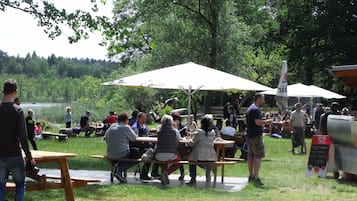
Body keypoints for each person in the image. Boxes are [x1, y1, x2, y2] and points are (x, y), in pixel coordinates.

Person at [0, 79, 36, 200]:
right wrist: (29, 156)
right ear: (15, 92)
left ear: (3, 91)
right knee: (20, 185)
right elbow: (23, 136)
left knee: (0, 186)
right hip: (15, 154)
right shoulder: (18, 110)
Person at [104, 112, 138, 183]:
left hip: (109, 153)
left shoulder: (112, 126)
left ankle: (116, 168)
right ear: (126, 120)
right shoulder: (126, 127)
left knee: (126, 152)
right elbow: (134, 138)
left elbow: (105, 138)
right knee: (137, 156)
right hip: (121, 153)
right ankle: (119, 170)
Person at [246, 94, 271, 186]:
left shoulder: (250, 108)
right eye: (263, 99)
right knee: (257, 156)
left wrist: (262, 120)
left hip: (249, 135)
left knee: (250, 156)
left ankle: (251, 175)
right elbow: (257, 122)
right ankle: (256, 177)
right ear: (259, 99)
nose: (263, 101)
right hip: (256, 136)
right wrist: (267, 121)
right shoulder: (256, 110)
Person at [187, 117, 217, 186]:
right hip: (211, 156)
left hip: (199, 156)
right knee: (207, 164)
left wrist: (189, 140)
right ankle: (208, 176)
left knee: (191, 160)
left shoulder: (199, 132)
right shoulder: (213, 132)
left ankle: (193, 179)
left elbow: (191, 144)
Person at [155, 115, 182, 186]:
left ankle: (164, 174)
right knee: (179, 161)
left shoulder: (159, 130)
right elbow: (179, 139)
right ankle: (166, 172)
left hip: (159, 155)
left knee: (163, 160)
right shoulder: (175, 131)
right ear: (171, 122)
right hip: (171, 154)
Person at [131, 112, 159, 180]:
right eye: (142, 119)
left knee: (157, 152)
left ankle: (154, 172)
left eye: (145, 119)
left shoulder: (144, 126)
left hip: (145, 146)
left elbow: (147, 136)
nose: (144, 120)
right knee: (150, 154)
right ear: (138, 119)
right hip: (138, 149)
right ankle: (144, 175)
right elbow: (136, 140)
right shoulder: (135, 128)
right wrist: (148, 144)